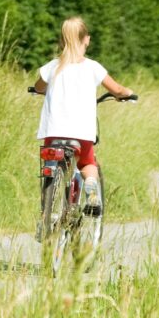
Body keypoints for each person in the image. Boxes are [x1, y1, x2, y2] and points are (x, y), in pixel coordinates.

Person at [32, 16, 134, 211]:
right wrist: (127, 94)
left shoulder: (52, 66)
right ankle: (91, 189)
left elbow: (38, 86)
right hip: (81, 134)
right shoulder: (93, 67)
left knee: (49, 165)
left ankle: (46, 210)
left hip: (53, 132)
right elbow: (117, 90)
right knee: (87, 162)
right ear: (86, 39)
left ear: (62, 41)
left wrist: (39, 89)